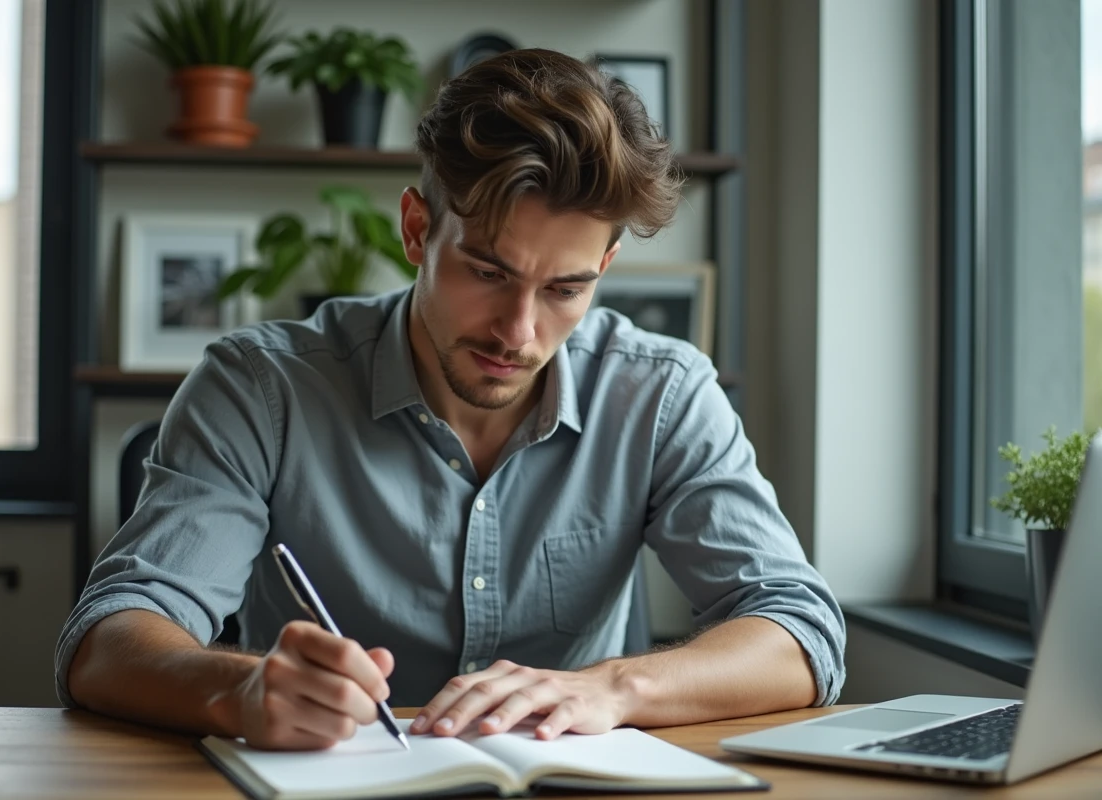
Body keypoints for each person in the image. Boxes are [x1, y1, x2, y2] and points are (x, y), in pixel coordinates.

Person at [56, 48, 845, 752]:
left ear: (603, 265)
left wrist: (611, 689)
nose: (520, 332)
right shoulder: (262, 388)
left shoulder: (661, 393)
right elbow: (107, 638)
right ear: (416, 229)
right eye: (489, 273)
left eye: (567, 288)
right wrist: (239, 690)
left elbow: (803, 633)